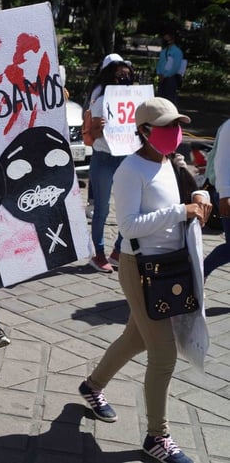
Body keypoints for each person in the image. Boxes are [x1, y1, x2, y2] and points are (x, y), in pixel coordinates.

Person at [79, 97, 211, 463]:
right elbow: (127, 227)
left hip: (170, 265)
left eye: (177, 125)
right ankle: (157, 437)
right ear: (144, 131)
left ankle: (92, 386)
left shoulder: (170, 162)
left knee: (135, 338)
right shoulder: (129, 170)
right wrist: (179, 211)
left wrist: (198, 195)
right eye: (166, 127)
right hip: (140, 269)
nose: (174, 133)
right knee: (164, 354)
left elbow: (190, 190)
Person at [86, 53, 134, 273]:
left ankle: (116, 252)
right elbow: (93, 133)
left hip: (125, 157)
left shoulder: (132, 97)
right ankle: (98, 254)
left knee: (129, 207)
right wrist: (102, 127)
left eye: (126, 74)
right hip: (104, 157)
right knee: (102, 210)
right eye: (119, 74)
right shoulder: (101, 96)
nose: (123, 78)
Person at [204, 118, 230, 279]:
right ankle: (198, 274)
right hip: (227, 194)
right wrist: (225, 194)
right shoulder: (229, 127)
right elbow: (222, 161)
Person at [156, 31, 184, 106]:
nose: (166, 41)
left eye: (167, 39)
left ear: (172, 39)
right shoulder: (163, 51)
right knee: (161, 99)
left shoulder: (177, 51)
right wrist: (159, 73)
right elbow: (159, 63)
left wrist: (165, 75)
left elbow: (176, 67)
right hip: (162, 78)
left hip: (171, 78)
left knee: (170, 100)